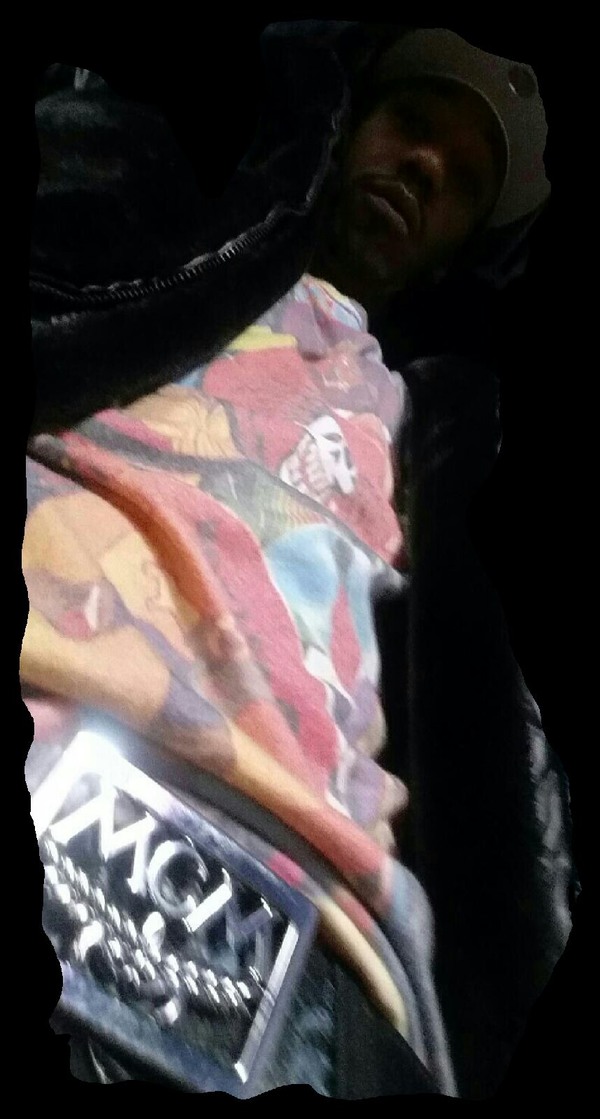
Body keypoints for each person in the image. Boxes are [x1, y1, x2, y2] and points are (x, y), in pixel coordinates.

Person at [22, 23, 575, 1098]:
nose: (426, 166)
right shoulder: (152, 217)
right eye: (412, 122)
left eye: (464, 180)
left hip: (324, 975)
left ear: (458, 249)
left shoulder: (436, 440)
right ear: (350, 121)